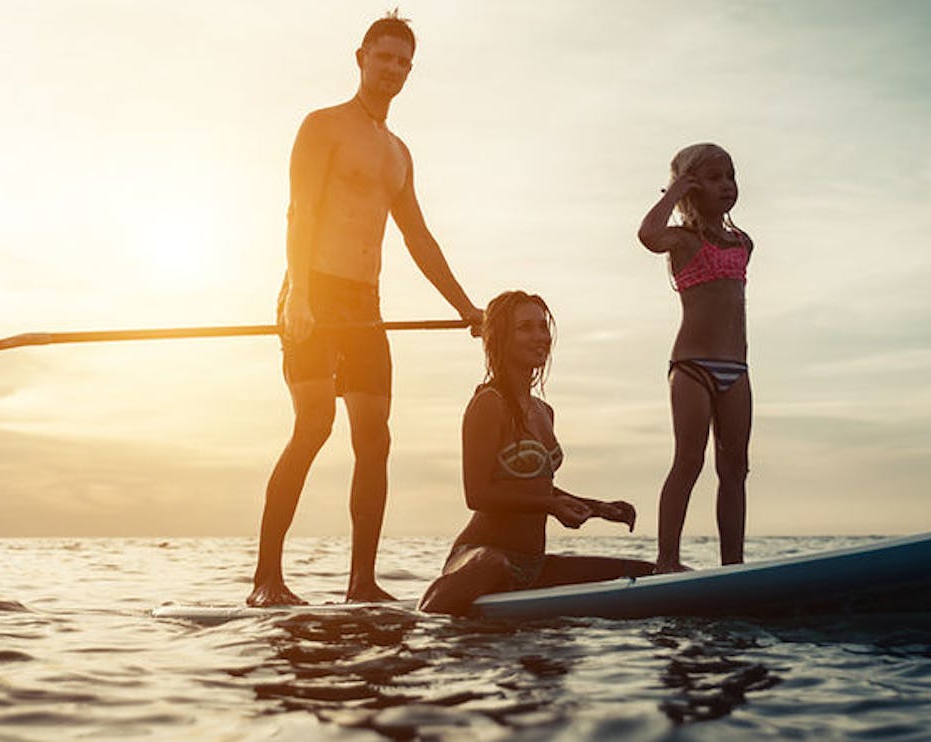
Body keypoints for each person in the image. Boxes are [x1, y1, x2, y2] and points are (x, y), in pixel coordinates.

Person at [249, 13, 484, 607]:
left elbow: (419, 240)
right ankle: (266, 580)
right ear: (361, 58)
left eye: (403, 62)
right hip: (312, 292)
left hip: (364, 304)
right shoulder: (322, 126)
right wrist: (298, 296)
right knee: (313, 426)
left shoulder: (399, 153)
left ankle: (362, 583)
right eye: (383, 58)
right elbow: (299, 213)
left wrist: (466, 307)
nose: (393, 70)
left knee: (374, 440)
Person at [419, 291, 652, 616]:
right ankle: (421, 620)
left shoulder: (545, 411)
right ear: (500, 338)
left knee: (644, 572)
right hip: (478, 558)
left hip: (533, 566)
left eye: (543, 327)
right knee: (492, 563)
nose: (540, 337)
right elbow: (478, 494)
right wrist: (551, 506)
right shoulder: (489, 404)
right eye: (525, 328)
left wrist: (598, 508)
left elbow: (537, 489)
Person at [637, 143, 753, 572]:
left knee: (735, 468)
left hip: (735, 371)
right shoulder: (682, 240)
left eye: (730, 176)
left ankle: (733, 565)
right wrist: (673, 191)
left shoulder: (743, 242)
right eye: (714, 178)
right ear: (690, 186)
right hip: (692, 368)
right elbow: (648, 234)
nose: (726, 185)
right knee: (689, 460)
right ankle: (666, 561)